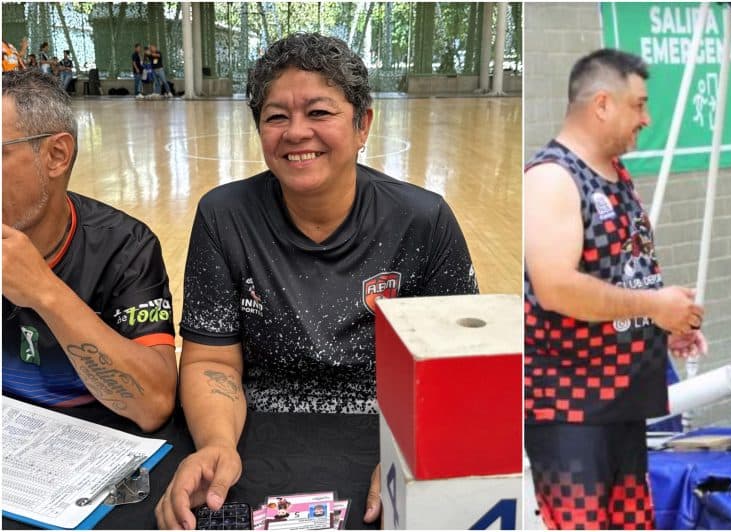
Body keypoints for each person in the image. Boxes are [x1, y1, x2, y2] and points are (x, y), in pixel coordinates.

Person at [154, 33, 478, 529]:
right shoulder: (223, 217)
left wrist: (411, 459)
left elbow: (459, 368)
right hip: (254, 426)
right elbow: (211, 359)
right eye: (276, 116)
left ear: (362, 122)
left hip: (386, 432)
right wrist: (218, 445)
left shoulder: (422, 220)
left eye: (320, 113)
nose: (295, 132)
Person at [523, 48, 707, 530]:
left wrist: (663, 326)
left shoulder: (617, 175)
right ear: (602, 103)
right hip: (570, 410)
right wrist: (654, 306)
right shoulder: (552, 178)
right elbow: (556, 288)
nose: (646, 119)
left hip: (621, 403)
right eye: (639, 105)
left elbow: (621, 276)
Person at [2, 69, 177, 432]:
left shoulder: (126, 248)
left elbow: (154, 404)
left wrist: (44, 292)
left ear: (56, 155)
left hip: (91, 449)